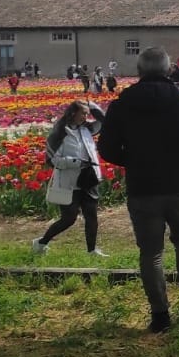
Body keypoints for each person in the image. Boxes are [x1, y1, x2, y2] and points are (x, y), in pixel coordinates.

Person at [96, 48, 179, 334]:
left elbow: (107, 148)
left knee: (151, 253)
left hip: (142, 186)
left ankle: (160, 314)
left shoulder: (121, 106)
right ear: (169, 70)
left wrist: (134, 160)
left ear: (139, 70)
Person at [34, 100, 108, 257]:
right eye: (83, 113)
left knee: (91, 216)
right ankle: (41, 242)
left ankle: (92, 250)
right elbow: (52, 160)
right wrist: (75, 163)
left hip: (89, 179)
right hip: (69, 182)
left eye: (87, 114)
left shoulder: (87, 129)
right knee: (69, 219)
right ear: (73, 113)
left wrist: (93, 107)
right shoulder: (59, 133)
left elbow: (105, 122)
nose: (86, 117)